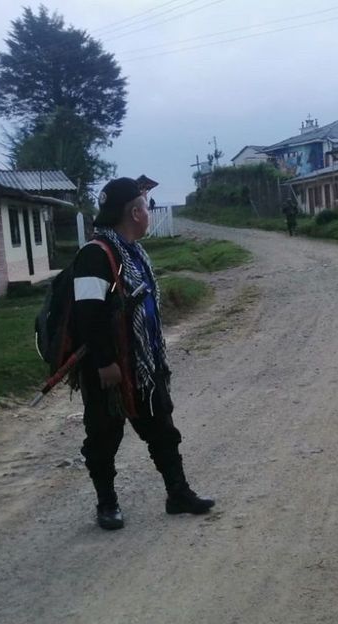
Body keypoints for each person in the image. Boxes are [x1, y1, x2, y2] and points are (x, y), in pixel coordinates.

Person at [71, 177, 215, 531]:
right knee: (104, 437)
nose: (148, 213)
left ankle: (177, 493)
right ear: (135, 213)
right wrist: (105, 363)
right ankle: (107, 504)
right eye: (146, 207)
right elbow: (87, 313)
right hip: (110, 369)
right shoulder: (95, 254)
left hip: (144, 365)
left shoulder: (132, 251)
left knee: (162, 427)